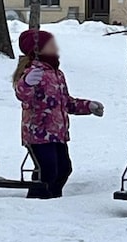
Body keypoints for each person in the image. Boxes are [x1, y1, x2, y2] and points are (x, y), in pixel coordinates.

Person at [12, 29, 104, 199]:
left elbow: (66, 102)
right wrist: (27, 82)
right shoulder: (32, 72)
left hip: (57, 133)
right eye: (51, 45)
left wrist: (88, 106)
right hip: (38, 133)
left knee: (64, 169)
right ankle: (37, 200)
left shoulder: (57, 74)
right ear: (38, 50)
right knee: (47, 170)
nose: (56, 47)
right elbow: (22, 95)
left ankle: (53, 199)